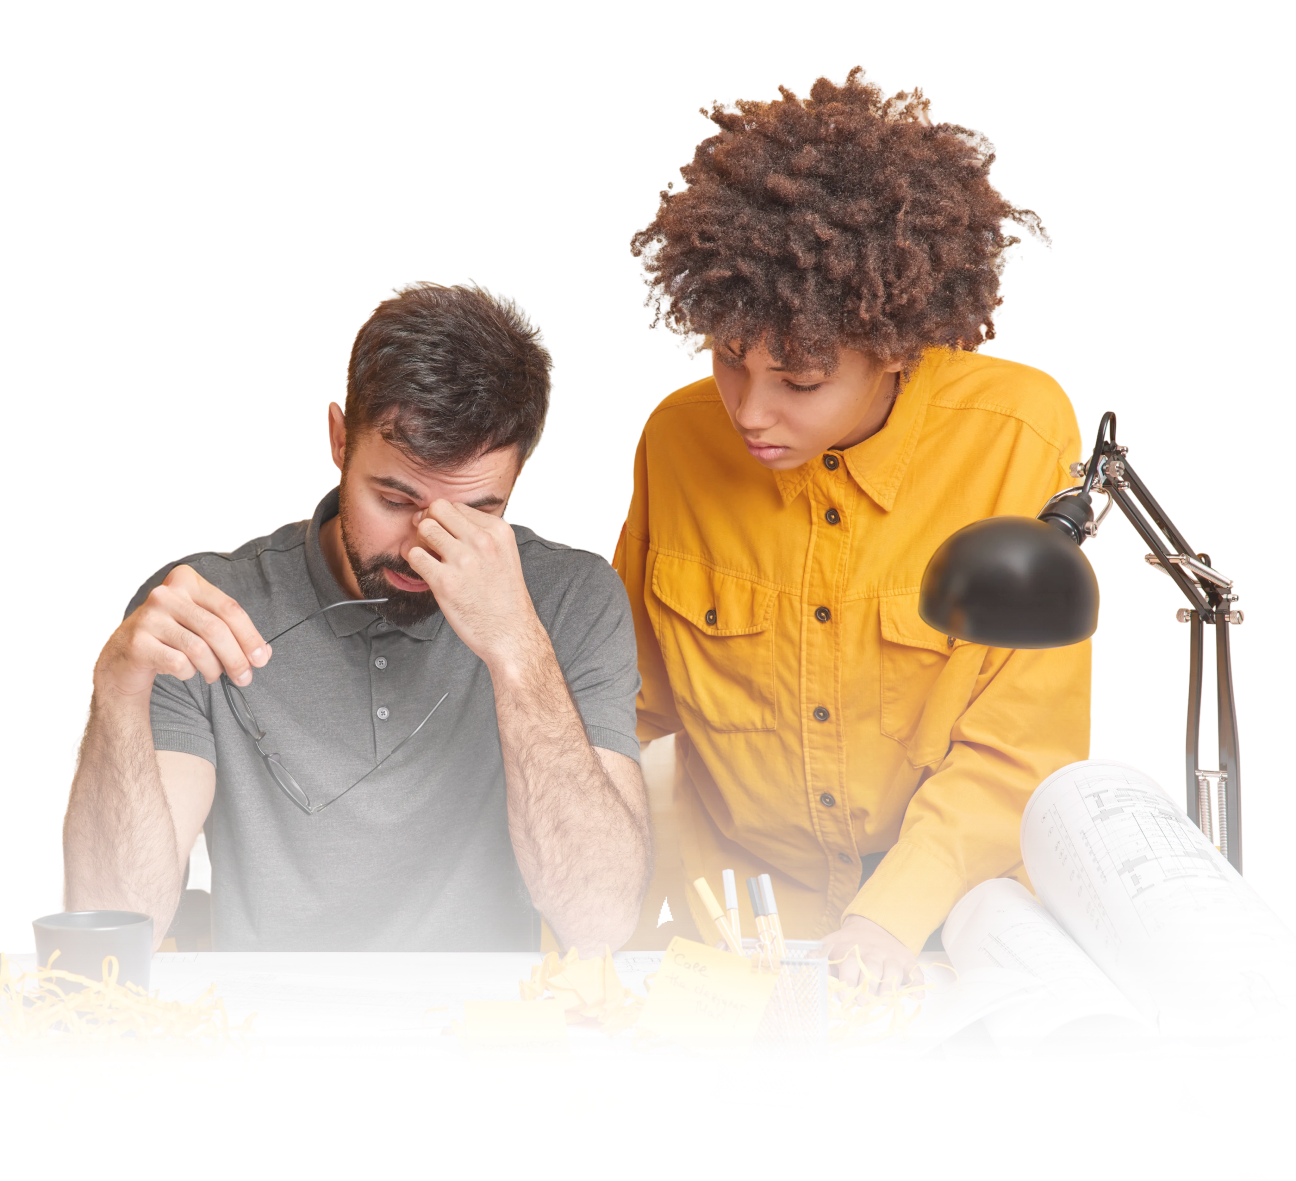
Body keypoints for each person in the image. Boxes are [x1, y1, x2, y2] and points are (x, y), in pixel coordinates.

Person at [615, 68, 1090, 992]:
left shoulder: (1021, 434)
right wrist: (631, 925)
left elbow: (1019, 744)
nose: (751, 412)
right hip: (740, 937)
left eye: (800, 381)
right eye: (727, 362)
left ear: (897, 348)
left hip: (953, 932)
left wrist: (887, 922)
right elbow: (639, 714)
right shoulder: (675, 436)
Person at [64, 281, 651, 955]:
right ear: (339, 439)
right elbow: (117, 922)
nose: (420, 546)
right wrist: (117, 685)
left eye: (475, 513)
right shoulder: (202, 604)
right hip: (260, 1036)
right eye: (395, 497)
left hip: (493, 1041)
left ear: (516, 478)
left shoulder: (573, 598)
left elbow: (601, 921)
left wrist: (516, 646)